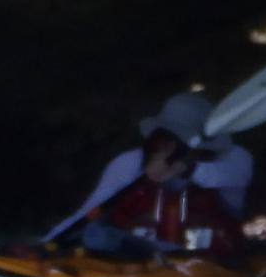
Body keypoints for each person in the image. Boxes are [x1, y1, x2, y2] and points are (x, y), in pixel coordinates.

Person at [43, 92, 254, 257]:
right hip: (138, 259)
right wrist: (44, 246)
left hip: (212, 265)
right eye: (164, 137)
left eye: (177, 139)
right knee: (96, 236)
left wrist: (183, 167)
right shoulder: (130, 163)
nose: (167, 146)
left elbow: (227, 176)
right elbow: (86, 213)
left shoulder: (234, 159)